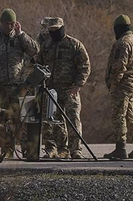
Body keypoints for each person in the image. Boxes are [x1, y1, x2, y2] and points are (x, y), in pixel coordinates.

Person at [0, 8, 39, 157]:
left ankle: (26, 150)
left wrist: (21, 34)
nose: (9, 26)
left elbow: (34, 51)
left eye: (12, 23)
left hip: (19, 86)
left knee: (22, 119)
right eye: (6, 23)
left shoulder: (20, 38)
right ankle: (7, 150)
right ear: (1, 23)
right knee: (3, 120)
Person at [34, 16, 91, 159]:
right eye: (51, 30)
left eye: (56, 29)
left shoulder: (74, 44)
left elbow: (84, 66)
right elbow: (38, 65)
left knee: (73, 119)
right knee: (52, 121)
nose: (54, 32)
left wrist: (78, 85)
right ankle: (56, 149)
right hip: (51, 90)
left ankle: (76, 150)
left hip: (69, 89)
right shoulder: (46, 46)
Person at [104, 13, 133, 160]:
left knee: (119, 115)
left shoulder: (122, 43)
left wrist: (113, 84)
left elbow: (118, 67)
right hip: (132, 83)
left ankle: (120, 148)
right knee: (129, 114)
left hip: (122, 85)